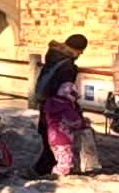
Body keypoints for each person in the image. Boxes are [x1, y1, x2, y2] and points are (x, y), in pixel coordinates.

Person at [33, 34, 88, 176]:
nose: (81, 54)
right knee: (57, 140)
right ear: (77, 49)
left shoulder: (54, 56)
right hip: (58, 107)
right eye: (81, 50)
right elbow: (66, 91)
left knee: (49, 139)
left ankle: (42, 170)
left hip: (46, 103)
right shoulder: (68, 66)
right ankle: (43, 171)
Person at [44, 82, 89, 176]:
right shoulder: (66, 107)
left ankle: (58, 175)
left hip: (53, 138)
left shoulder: (52, 104)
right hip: (64, 138)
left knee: (62, 158)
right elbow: (75, 122)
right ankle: (55, 177)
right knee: (65, 163)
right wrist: (84, 123)